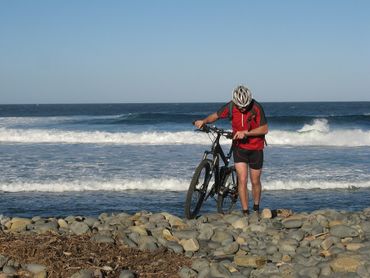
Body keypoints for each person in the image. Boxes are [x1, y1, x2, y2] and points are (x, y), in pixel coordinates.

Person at [194, 85, 268, 215]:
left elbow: (264, 129)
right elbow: (216, 116)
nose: (243, 108)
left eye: (246, 105)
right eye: (240, 106)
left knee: (255, 180)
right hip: (239, 147)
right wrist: (204, 121)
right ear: (235, 102)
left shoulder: (257, 107)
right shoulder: (231, 106)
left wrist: (246, 133)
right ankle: (245, 211)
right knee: (242, 179)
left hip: (256, 148)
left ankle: (256, 208)